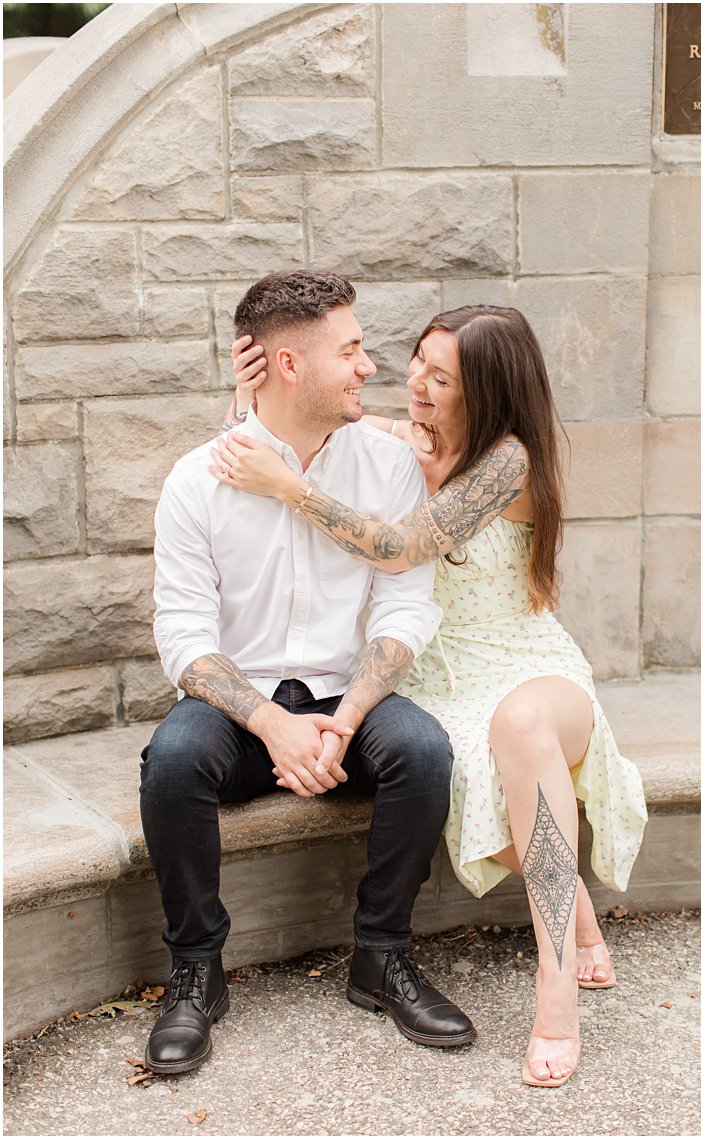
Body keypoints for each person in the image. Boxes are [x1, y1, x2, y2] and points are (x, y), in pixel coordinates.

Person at [207, 305, 648, 1088]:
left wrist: (293, 489)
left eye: (439, 378)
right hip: (436, 677)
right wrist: (248, 408)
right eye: (416, 363)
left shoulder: (509, 461)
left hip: (524, 662)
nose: (415, 382)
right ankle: (575, 913)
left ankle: (556, 993)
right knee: (484, 796)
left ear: (488, 391)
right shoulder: (404, 436)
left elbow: (403, 544)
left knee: (519, 728)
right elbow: (296, 434)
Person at [140, 269, 474, 1075]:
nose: (368, 366)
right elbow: (183, 634)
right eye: (351, 350)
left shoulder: (386, 466)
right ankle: (196, 970)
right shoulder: (197, 480)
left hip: (343, 694)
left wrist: (349, 715)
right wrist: (269, 721)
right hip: (242, 705)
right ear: (289, 366)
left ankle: (381, 955)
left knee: (424, 752)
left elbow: (404, 605)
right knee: (172, 760)